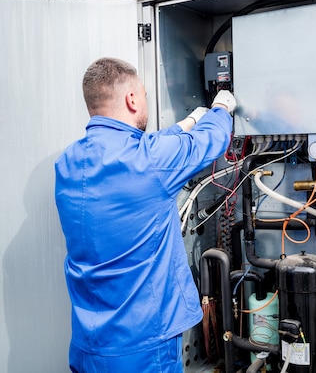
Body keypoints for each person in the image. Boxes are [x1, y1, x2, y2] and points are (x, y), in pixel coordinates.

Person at [54, 57, 236, 372]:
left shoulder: (69, 161)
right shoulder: (150, 160)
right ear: (132, 99)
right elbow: (211, 140)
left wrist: (189, 121)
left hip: (89, 344)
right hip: (143, 345)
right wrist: (221, 107)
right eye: (145, 96)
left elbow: (142, 149)